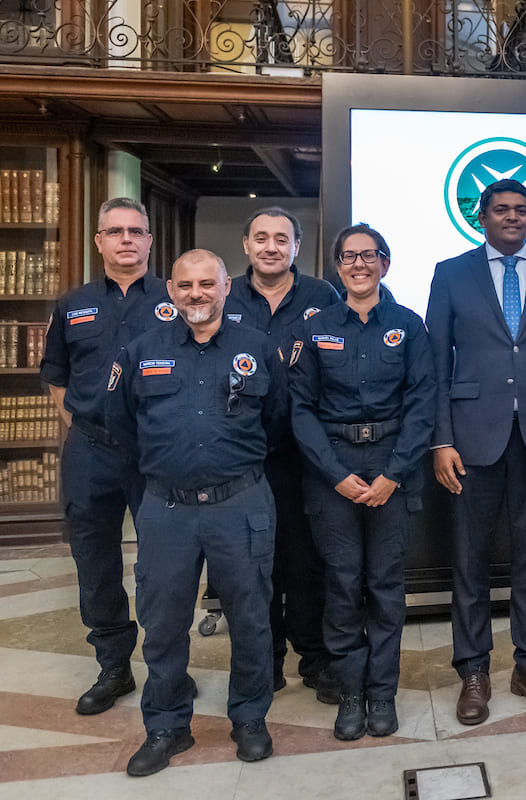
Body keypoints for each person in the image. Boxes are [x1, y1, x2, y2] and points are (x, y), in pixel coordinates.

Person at [107, 250, 285, 775]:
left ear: (225, 288)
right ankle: (166, 725)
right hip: (166, 508)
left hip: (241, 503)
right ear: (170, 290)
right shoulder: (142, 350)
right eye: (185, 286)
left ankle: (250, 718)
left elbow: (277, 419)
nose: (196, 295)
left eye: (207, 284)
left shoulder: (257, 346)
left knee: (252, 619)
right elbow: (120, 425)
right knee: (162, 622)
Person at [426, 178, 526, 726]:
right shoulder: (451, 273)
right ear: (481, 217)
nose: (513, 217)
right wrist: (441, 439)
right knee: (470, 561)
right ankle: (473, 671)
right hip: (471, 440)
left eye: (522, 210)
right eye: (502, 210)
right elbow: (434, 363)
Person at [290, 224, 435, 739]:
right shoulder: (316, 326)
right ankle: (351, 693)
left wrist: (393, 474)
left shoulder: (409, 326)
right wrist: (336, 474)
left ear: (385, 264)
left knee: (385, 586)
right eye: (349, 257)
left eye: (369, 256)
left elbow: (423, 405)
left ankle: (382, 695)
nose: (359, 264)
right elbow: (300, 409)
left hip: (393, 464)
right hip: (333, 467)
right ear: (336, 266)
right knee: (343, 584)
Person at [40, 197, 170, 716]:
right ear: (99, 241)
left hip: (156, 451)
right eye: (114, 231)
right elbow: (55, 376)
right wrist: (85, 427)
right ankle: (114, 665)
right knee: (95, 560)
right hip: (90, 451)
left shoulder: (172, 298)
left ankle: (166, 669)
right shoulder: (72, 304)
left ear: (149, 241)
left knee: (163, 564)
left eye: (136, 231)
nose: (126, 240)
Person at [224, 206, 342, 703]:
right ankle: (264, 661)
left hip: (308, 454)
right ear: (246, 245)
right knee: (255, 565)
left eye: (282, 238)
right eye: (261, 238)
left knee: (306, 562)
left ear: (296, 246)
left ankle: (315, 660)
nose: (271, 246)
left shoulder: (322, 296)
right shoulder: (223, 294)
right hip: (244, 457)